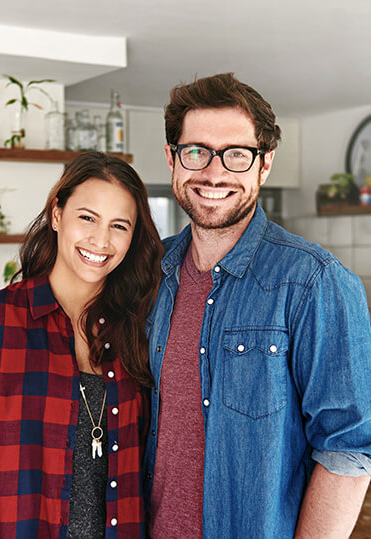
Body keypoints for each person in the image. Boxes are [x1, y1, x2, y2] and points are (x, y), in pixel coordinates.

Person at [144, 73, 371, 538]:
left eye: (236, 155)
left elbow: (349, 449)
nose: (214, 172)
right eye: (196, 151)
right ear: (172, 159)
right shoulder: (149, 272)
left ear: (263, 165)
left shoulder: (314, 282)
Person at [0, 152, 163, 538]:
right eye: (87, 217)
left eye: (119, 226)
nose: (101, 240)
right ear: (57, 214)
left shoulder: (140, 330)